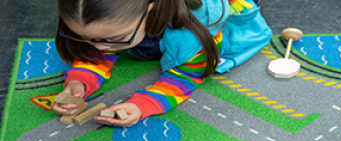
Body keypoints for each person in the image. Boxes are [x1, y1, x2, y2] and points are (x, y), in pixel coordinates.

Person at [54, 0, 272, 127]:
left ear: (150, 8)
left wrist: (143, 105)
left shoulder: (194, 31)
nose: (99, 47)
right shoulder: (103, 17)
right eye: (82, 36)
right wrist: (80, 82)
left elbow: (185, 76)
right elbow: (95, 49)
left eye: (116, 39)